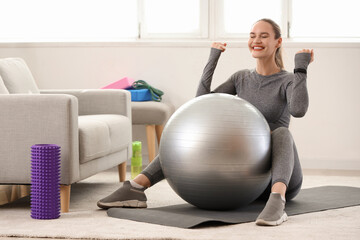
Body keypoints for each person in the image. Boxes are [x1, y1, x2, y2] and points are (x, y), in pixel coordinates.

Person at [97, 18, 314, 226]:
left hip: (277, 176)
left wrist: (301, 69)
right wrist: (213, 58)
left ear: (278, 42)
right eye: (252, 35)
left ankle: (277, 201)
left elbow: (298, 110)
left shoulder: (287, 81)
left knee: (281, 134)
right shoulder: (241, 78)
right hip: (245, 176)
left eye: (264, 36)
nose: (256, 40)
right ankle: (135, 187)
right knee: (188, 139)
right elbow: (202, 104)